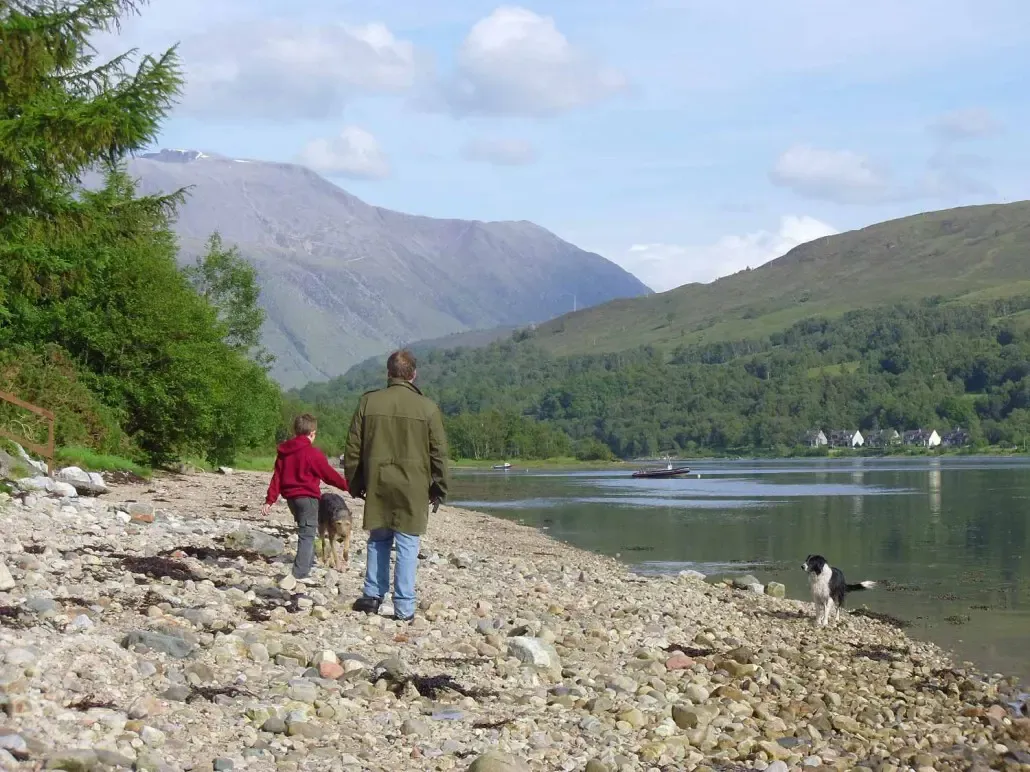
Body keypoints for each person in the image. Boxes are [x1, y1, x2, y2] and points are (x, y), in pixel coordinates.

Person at [344, 349, 449, 622]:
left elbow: (353, 448)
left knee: (378, 540)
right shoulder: (428, 408)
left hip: (377, 482)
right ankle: (403, 608)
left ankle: (372, 597)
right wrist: (439, 487)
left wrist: (355, 483)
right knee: (407, 543)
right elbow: (438, 453)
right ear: (414, 374)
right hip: (413, 486)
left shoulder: (369, 402)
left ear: (388, 373)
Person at [262, 413, 350, 588]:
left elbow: (277, 477)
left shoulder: (284, 452)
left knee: (305, 530)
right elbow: (329, 475)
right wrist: (349, 486)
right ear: (312, 433)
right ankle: (300, 573)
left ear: (296, 431)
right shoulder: (312, 453)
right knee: (307, 534)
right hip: (307, 498)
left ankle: (307, 566)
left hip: (291, 500)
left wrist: (270, 500)